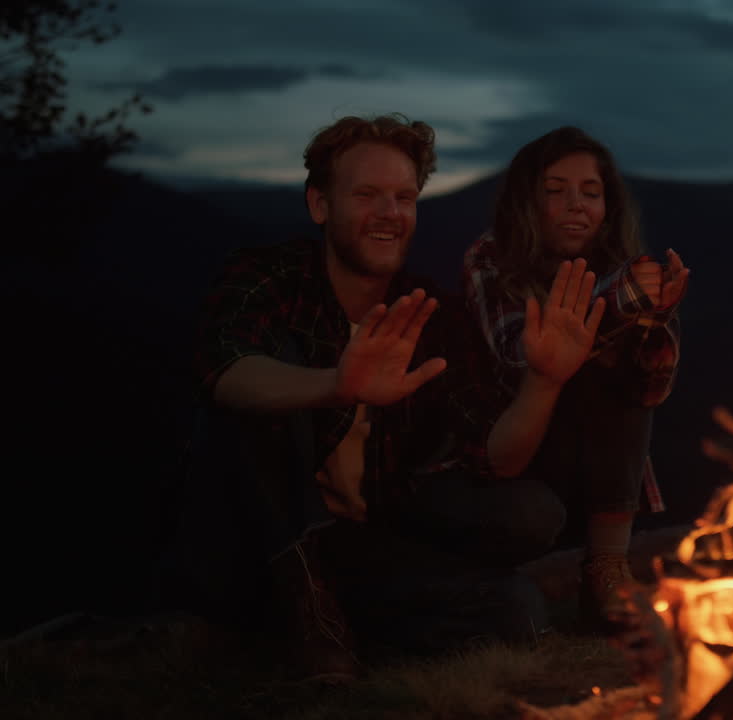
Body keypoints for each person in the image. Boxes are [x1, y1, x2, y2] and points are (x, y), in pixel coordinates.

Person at [179, 114, 598, 683]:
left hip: (360, 542)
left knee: (520, 598)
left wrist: (544, 381)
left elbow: (498, 457)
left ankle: (325, 617)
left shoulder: (427, 314)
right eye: (367, 195)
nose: (390, 214)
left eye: (404, 197)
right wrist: (334, 387)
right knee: (266, 384)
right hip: (258, 538)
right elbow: (223, 368)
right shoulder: (271, 278)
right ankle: (305, 611)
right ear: (320, 205)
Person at [463, 126, 689, 630]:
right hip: (511, 451)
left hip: (597, 461)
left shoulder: (616, 267)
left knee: (622, 371)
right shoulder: (490, 258)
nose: (576, 205)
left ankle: (606, 571)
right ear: (526, 199)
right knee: (578, 356)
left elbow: (651, 390)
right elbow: (516, 354)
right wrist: (616, 304)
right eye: (555, 190)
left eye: (590, 192)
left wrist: (651, 317)